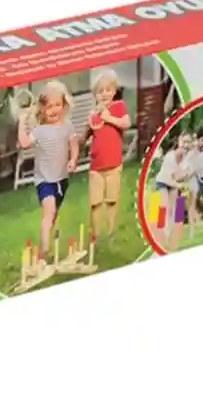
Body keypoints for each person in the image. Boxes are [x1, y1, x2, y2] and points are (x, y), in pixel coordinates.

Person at [17, 80, 79, 261]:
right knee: (49, 212)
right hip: (44, 180)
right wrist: (22, 121)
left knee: (53, 215)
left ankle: (46, 247)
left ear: (64, 104)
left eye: (57, 105)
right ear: (42, 109)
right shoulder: (39, 130)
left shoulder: (67, 126)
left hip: (62, 179)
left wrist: (73, 159)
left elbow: (74, 145)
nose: (54, 110)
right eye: (49, 106)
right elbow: (24, 143)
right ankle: (43, 254)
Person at [85, 69, 131, 240]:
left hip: (114, 165)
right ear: (95, 95)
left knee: (112, 200)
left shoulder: (118, 107)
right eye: (100, 91)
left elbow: (126, 123)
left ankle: (111, 232)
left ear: (114, 91)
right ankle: (96, 234)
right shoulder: (93, 115)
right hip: (96, 167)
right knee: (95, 202)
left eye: (108, 90)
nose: (104, 94)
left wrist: (109, 118)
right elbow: (86, 135)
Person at [153, 131, 194, 244]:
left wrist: (184, 179)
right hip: (162, 182)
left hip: (174, 183)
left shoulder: (187, 160)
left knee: (173, 208)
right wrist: (179, 184)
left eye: (188, 142)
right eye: (184, 142)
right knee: (165, 207)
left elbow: (181, 176)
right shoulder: (170, 156)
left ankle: (169, 235)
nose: (186, 145)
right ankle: (163, 234)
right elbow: (167, 178)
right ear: (179, 141)